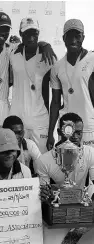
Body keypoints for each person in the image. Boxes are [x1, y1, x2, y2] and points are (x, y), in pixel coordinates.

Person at [17, 113, 94, 244]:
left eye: (79, 132)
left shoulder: (90, 153)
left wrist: (89, 205)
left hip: (84, 200)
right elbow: (44, 198)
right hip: (59, 210)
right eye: (70, 132)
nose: (75, 137)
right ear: (59, 132)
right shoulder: (44, 161)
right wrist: (50, 195)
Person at [0, 12, 57, 139]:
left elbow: (33, 43)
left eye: (6, 29)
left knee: (4, 147)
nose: (3, 32)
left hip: (4, 107)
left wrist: (46, 45)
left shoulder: (11, 49)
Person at [9, 18, 55, 153]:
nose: (31, 37)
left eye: (34, 33)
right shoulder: (13, 54)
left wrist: (46, 45)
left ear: (38, 33)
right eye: (27, 34)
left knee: (41, 162)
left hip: (40, 120)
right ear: (20, 34)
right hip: (18, 118)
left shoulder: (48, 56)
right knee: (17, 159)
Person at [47, 19, 94, 150]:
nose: (73, 40)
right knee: (68, 168)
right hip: (66, 127)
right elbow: (55, 102)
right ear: (63, 38)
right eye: (70, 36)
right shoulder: (57, 66)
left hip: (89, 126)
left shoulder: (92, 59)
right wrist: (50, 133)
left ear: (83, 38)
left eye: (77, 36)